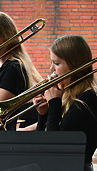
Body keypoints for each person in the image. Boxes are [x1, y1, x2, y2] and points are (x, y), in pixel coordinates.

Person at [34, 35, 97, 171]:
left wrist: (55, 103)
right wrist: (43, 114)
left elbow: (55, 150)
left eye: (56, 63)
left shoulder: (86, 101)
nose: (51, 69)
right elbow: (41, 145)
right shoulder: (68, 95)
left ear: (75, 66)